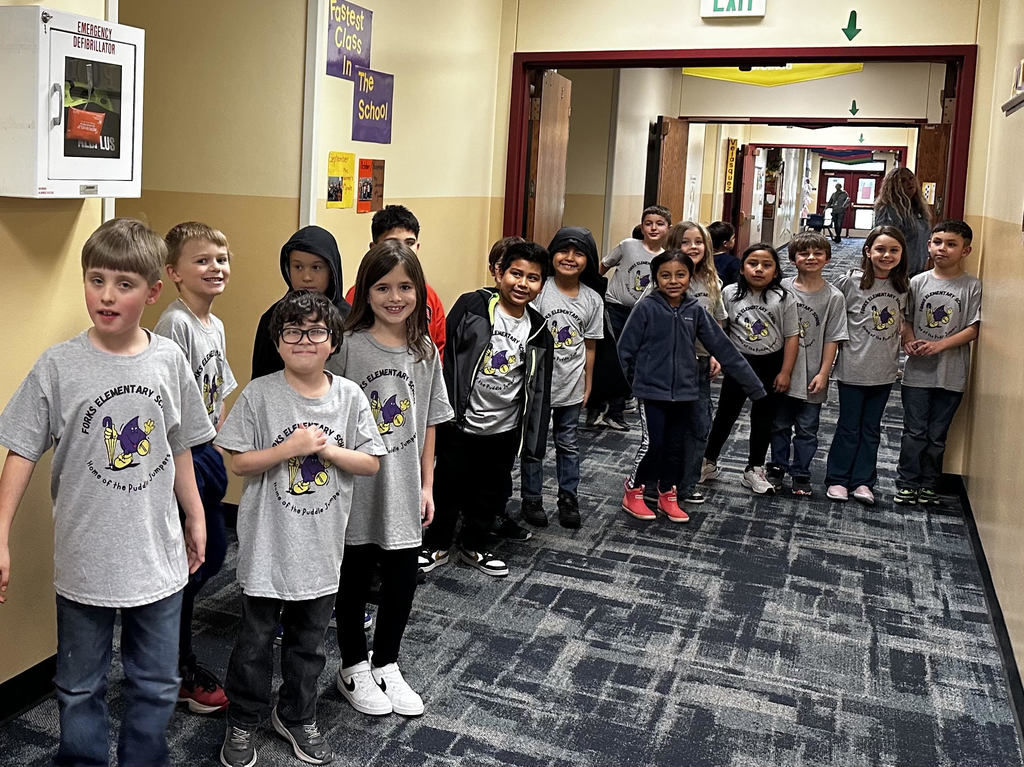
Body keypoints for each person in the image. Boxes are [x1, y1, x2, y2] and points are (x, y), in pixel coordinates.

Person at [0, 218, 215, 767]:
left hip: (157, 555)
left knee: (156, 685)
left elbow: (181, 445)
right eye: (96, 280)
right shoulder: (58, 366)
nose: (106, 296)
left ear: (152, 290)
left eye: (123, 284)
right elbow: (21, 450)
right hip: (84, 559)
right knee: (78, 687)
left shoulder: (168, 360)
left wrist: (195, 516)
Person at [215, 291, 385, 767]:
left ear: (333, 341)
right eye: (293, 332)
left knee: (308, 644)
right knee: (253, 642)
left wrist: (327, 451)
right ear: (278, 340)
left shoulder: (349, 397)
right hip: (267, 545)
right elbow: (241, 463)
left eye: (315, 332)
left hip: (321, 547)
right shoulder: (261, 393)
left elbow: (371, 463)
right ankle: (244, 718)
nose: (304, 340)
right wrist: (289, 448)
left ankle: (296, 714)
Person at [328, 241, 453, 718]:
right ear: (366, 291)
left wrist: (427, 484)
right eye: (383, 287)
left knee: (403, 573)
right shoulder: (348, 347)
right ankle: (353, 666)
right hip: (355, 485)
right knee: (355, 573)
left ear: (419, 292)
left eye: (405, 287)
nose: (394, 297)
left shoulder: (424, 351)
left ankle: (387, 662)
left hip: (404, 483)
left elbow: (430, 422)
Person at [420, 241, 553, 578]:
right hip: (460, 423)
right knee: (447, 485)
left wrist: (532, 437)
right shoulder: (473, 306)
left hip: (504, 428)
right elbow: (445, 358)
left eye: (533, 278)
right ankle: (436, 544)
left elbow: (539, 389)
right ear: (499, 273)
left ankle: (474, 545)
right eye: (516, 274)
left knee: (489, 490)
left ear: (541, 284)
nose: (522, 283)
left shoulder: (538, 331)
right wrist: (441, 410)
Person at [154, 222, 237, 715]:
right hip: (182, 458)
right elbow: (166, 405)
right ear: (174, 273)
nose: (215, 268)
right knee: (189, 561)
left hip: (206, 451)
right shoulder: (176, 324)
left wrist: (215, 441)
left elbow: (216, 390)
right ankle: (175, 665)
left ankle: (168, 653)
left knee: (208, 555)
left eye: (221, 259)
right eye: (202, 260)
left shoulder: (214, 324)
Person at [617, 250, 764, 522]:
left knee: (676, 446)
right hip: (651, 393)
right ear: (656, 278)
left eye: (680, 274)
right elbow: (624, 351)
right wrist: (637, 383)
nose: (673, 280)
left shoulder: (694, 310)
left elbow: (724, 347)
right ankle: (634, 490)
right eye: (665, 275)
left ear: (689, 277)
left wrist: (755, 388)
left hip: (685, 392)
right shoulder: (646, 307)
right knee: (653, 443)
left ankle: (667, 494)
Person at [520, 227, 603, 529]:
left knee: (567, 443)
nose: (569, 258)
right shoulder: (540, 289)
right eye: (563, 251)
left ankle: (568, 497)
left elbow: (590, 345)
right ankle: (531, 498)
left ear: (588, 260)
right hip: (538, 386)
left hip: (571, 383)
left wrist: (588, 381)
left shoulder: (592, 299)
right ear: (551, 253)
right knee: (534, 445)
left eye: (578, 252)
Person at [702, 243, 800, 495]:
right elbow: (720, 330)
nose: (759, 269)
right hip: (739, 363)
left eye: (767, 265)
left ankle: (754, 468)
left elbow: (791, 336)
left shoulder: (784, 297)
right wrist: (719, 357)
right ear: (742, 268)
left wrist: (786, 371)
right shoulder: (729, 293)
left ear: (776, 272)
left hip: (771, 363)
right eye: (752, 264)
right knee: (726, 413)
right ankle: (708, 462)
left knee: (764, 417)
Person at [895, 220, 981, 505]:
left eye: (951, 244)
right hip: (917, 373)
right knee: (914, 432)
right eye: (937, 242)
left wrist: (938, 346)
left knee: (937, 435)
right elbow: (905, 320)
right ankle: (907, 482)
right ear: (929, 245)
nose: (942, 249)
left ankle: (929, 484)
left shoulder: (972, 286)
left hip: (951, 374)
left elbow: (973, 328)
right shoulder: (917, 282)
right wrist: (909, 341)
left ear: (966, 250)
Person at [824, 225, 909, 504]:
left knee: (872, 428)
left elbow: (905, 323)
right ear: (867, 251)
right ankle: (837, 479)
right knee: (849, 426)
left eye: (893, 250)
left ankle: (863, 481)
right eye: (880, 249)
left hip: (884, 371)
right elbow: (829, 313)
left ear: (901, 254)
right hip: (852, 368)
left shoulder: (904, 286)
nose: (886, 255)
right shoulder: (850, 282)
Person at [766, 232, 849, 496]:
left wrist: (825, 372)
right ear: (792, 259)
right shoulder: (781, 289)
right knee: (779, 424)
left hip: (813, 373)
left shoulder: (833, 297)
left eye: (817, 253)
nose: (811, 258)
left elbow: (832, 338)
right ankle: (776, 468)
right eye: (804, 253)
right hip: (783, 373)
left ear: (827, 258)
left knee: (807, 428)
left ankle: (801, 472)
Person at [591, 204, 671, 430]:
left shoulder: (666, 257)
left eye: (659, 224)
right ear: (642, 226)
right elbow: (604, 265)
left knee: (632, 361)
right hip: (615, 308)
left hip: (643, 315)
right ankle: (603, 409)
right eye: (648, 223)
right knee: (614, 358)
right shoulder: (628, 246)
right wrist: (592, 290)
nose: (653, 228)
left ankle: (616, 407)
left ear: (668, 228)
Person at [665, 222, 726, 506]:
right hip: (668, 365)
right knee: (667, 427)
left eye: (698, 242)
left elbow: (717, 322)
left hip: (700, 364)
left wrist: (715, 354)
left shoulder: (712, 282)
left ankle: (687, 484)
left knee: (699, 425)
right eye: (685, 242)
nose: (693, 247)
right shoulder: (664, 278)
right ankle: (660, 483)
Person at [345, 204, 447, 358]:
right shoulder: (358, 294)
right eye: (392, 242)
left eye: (409, 243)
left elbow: (437, 351)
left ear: (418, 247)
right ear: (374, 248)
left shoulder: (430, 297)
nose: (402, 249)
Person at [251, 225, 350, 379]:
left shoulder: (351, 319)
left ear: (331, 271)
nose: (306, 277)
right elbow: (261, 379)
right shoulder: (272, 318)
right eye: (298, 267)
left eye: (316, 267)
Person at [874, 166, 933, 276]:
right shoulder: (889, 209)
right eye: (903, 181)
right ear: (894, 186)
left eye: (911, 178)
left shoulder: (918, 209)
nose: (909, 183)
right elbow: (885, 241)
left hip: (919, 268)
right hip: (898, 271)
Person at [709, 220, 740, 287]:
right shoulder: (733, 262)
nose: (734, 240)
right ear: (725, 243)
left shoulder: (703, 258)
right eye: (733, 238)